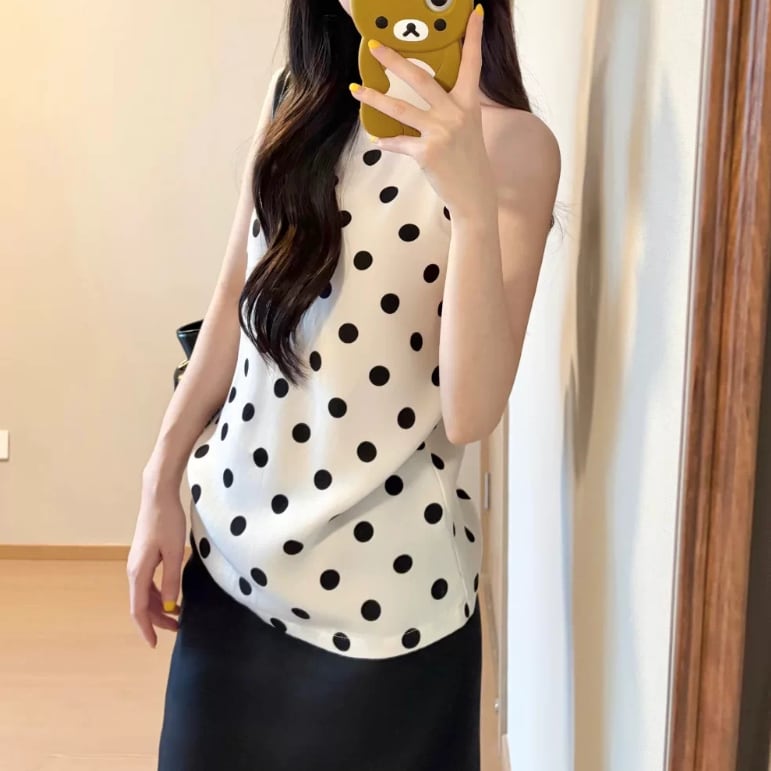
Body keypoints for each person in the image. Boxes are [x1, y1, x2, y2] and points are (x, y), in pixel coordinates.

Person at [127, 1, 560, 769]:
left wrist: (468, 201)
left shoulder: (514, 146)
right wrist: (160, 475)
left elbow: (470, 411)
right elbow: (233, 299)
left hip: (385, 620)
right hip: (229, 573)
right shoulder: (295, 95)